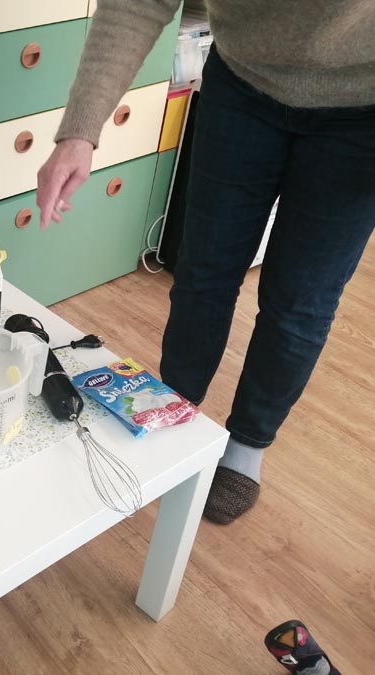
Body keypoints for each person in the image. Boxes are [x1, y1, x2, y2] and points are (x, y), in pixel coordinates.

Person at [38, 1, 375, 525]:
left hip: (363, 111)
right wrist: (79, 130)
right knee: (202, 275)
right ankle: (176, 408)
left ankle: (247, 446)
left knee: (300, 304)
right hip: (242, 82)